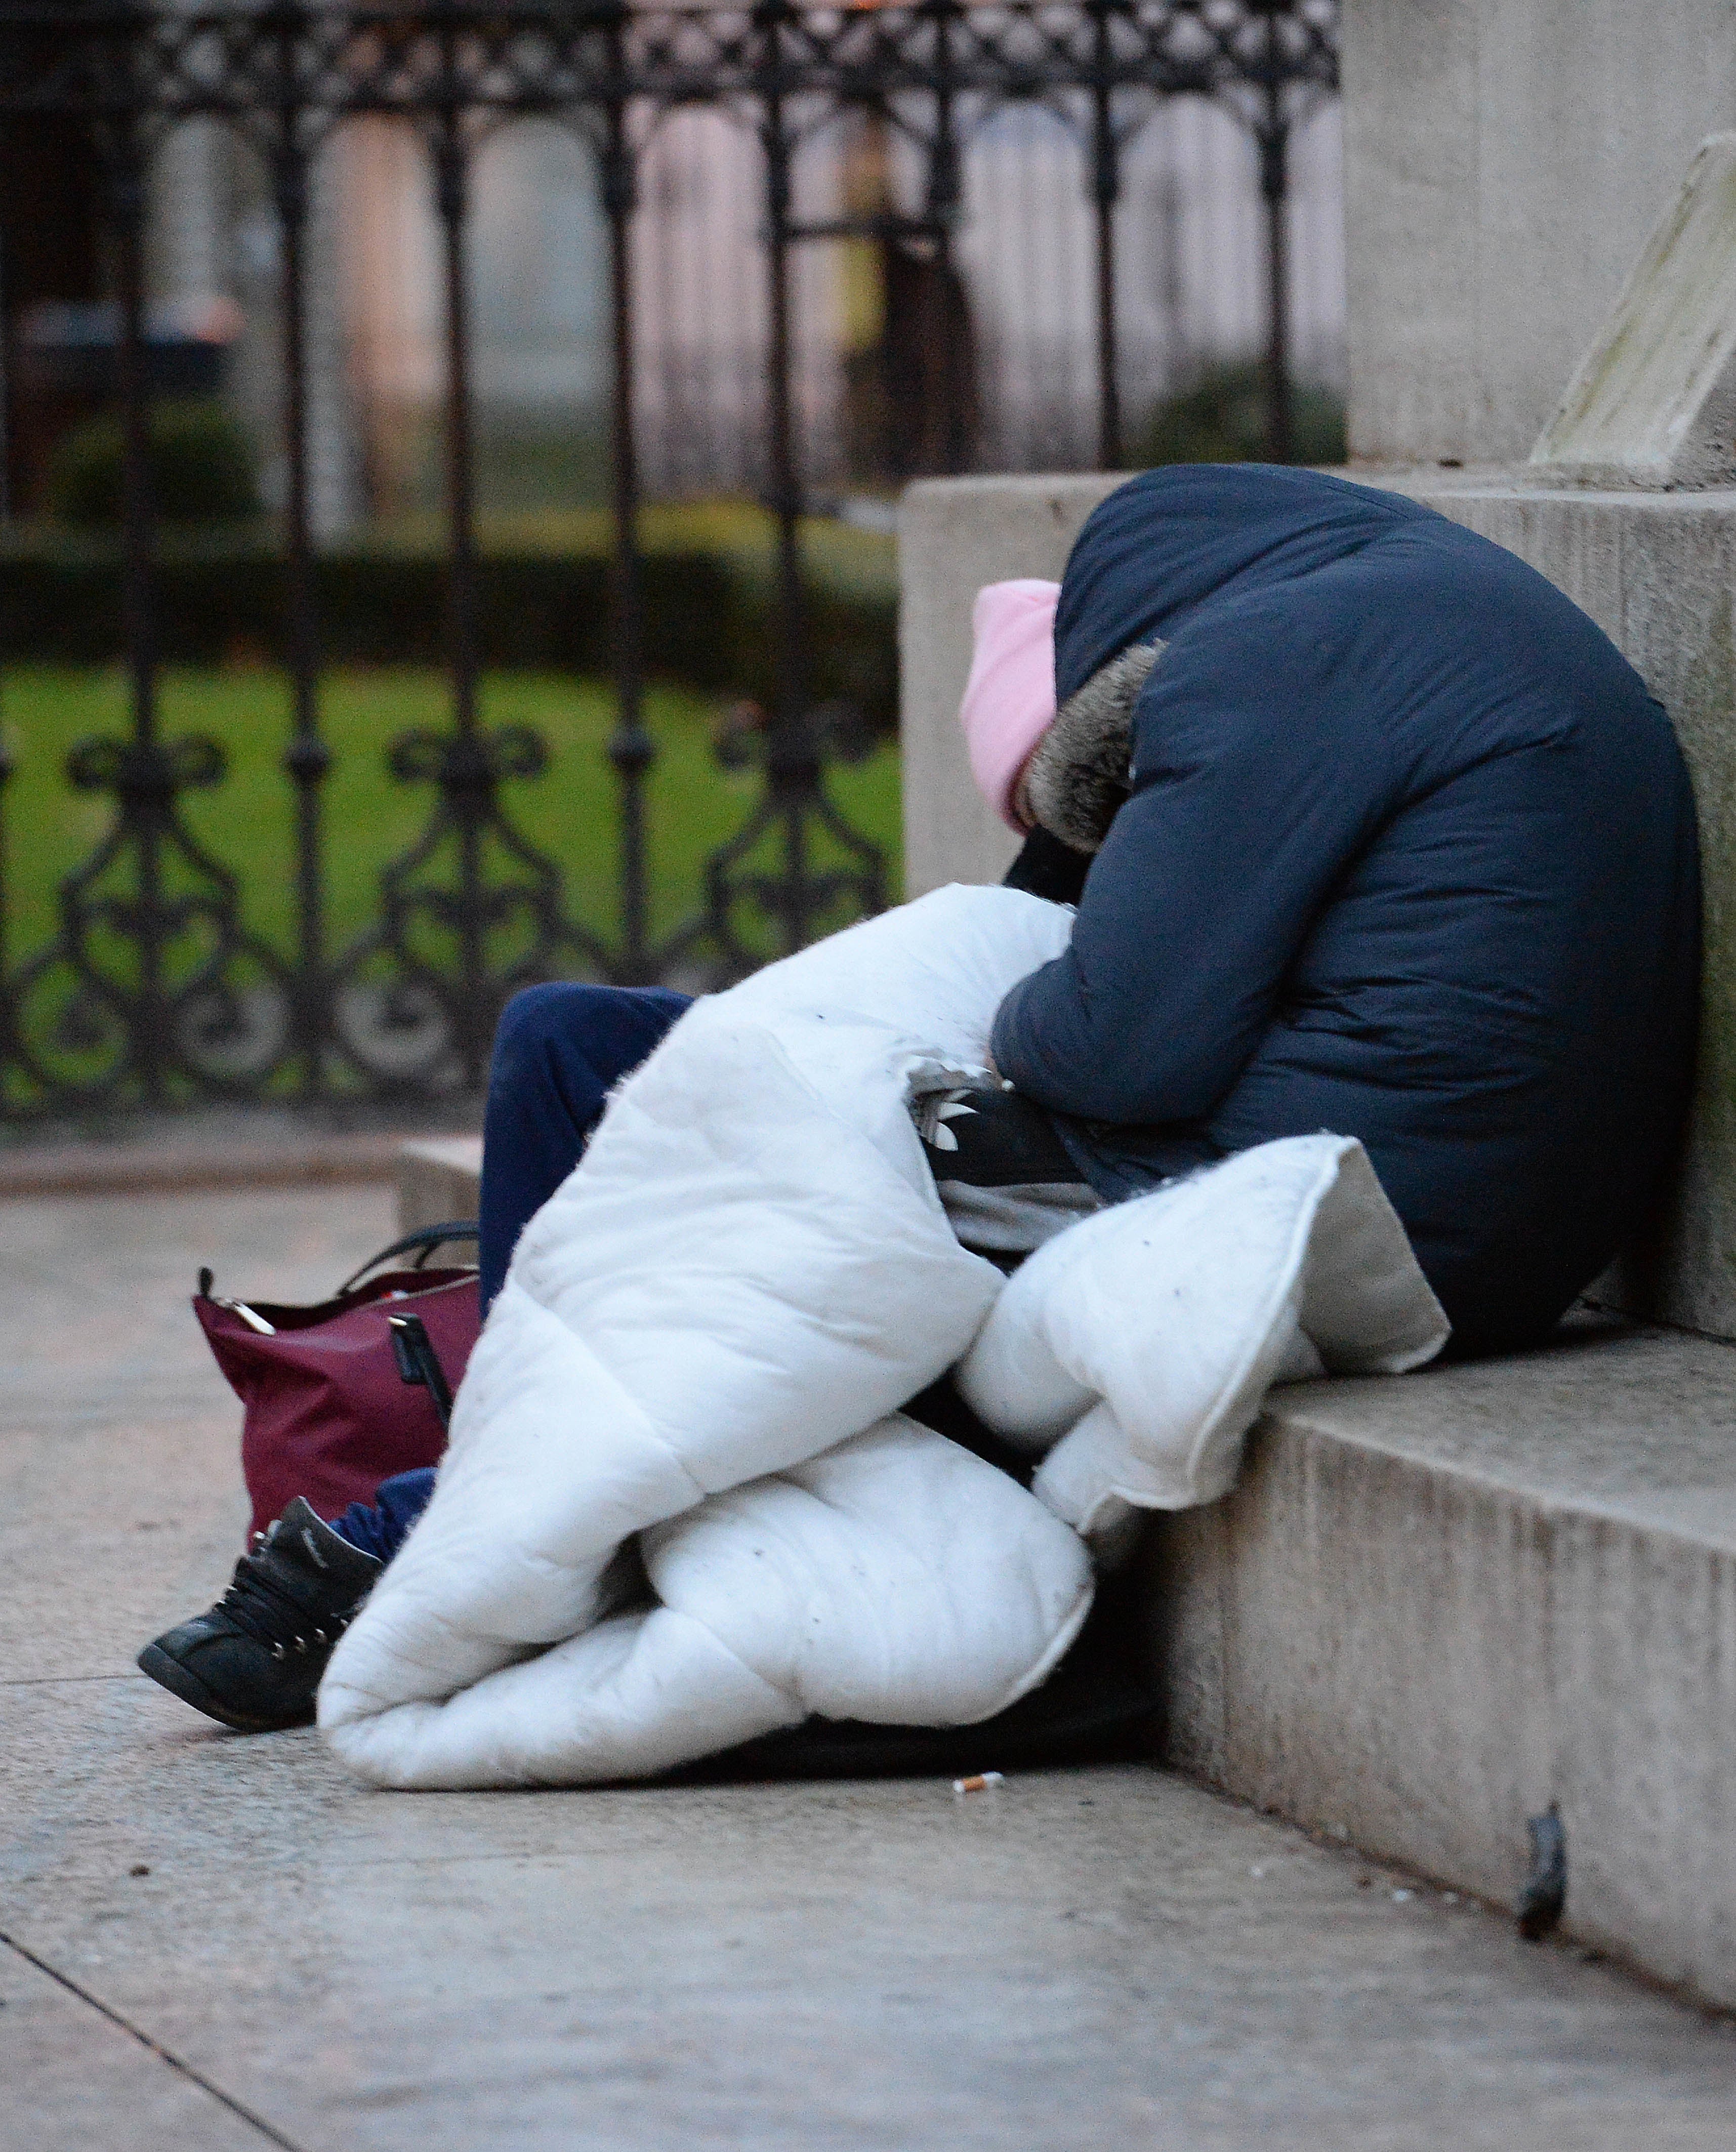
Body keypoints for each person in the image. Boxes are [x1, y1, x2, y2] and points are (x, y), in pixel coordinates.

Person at [138, 462, 1701, 1733]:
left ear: (1114, 698)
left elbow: (1115, 1046)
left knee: (789, 1206)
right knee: (573, 1041)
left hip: (1344, 1199)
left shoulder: (1267, 665)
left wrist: (986, 1011)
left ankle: (432, 1528)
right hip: (1445, 1196)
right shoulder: (1397, 623)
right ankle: (517, 1447)